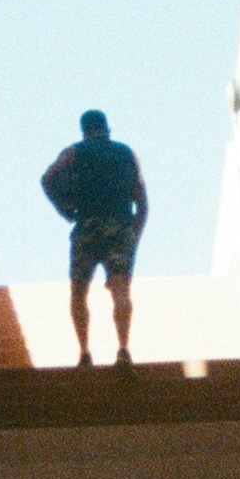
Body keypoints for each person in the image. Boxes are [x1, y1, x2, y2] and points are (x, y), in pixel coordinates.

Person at [41, 109, 148, 367]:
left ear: (84, 131)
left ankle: (85, 352)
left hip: (87, 225)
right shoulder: (126, 153)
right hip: (120, 225)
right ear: (107, 129)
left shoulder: (75, 152)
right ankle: (123, 349)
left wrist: (64, 209)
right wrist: (133, 236)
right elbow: (142, 203)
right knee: (121, 290)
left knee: (79, 291)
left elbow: (47, 178)